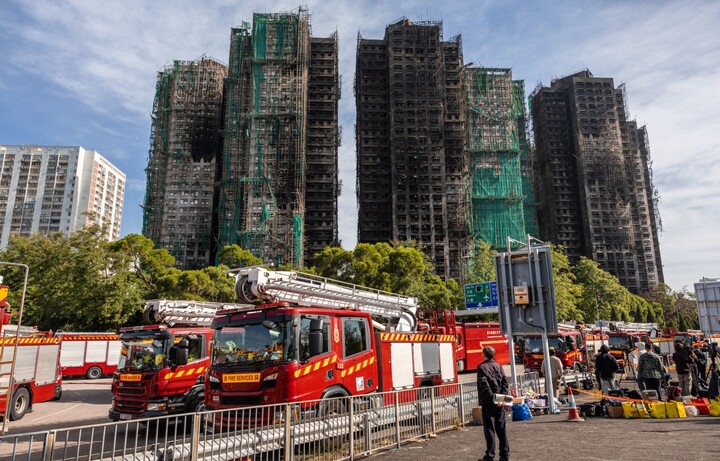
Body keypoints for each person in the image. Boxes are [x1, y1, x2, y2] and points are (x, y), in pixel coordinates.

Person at [477, 345, 510, 461]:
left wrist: (492, 399)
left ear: (484, 354)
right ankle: (505, 455)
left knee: (490, 429)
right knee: (501, 428)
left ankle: (490, 455)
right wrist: (502, 399)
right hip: (500, 402)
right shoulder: (499, 366)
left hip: (488, 403)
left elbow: (485, 386)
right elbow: (505, 383)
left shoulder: (481, 367)